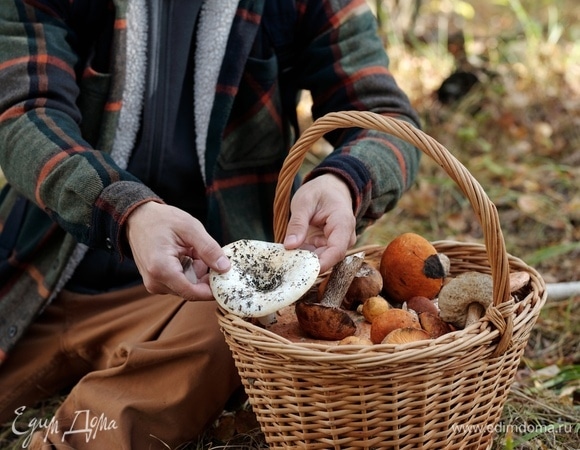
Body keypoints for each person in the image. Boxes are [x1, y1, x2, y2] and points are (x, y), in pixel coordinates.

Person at [0, 0, 422, 448]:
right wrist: (128, 213)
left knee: (232, 333)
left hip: (196, 293)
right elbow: (22, 113)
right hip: (36, 273)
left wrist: (344, 182)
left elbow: (387, 118)